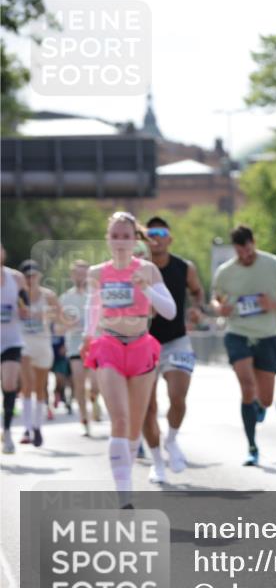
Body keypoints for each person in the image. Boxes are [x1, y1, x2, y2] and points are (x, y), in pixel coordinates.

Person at [82, 212, 176, 508]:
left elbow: (170, 311)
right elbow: (92, 306)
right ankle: (124, 496)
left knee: (135, 424)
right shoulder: (97, 273)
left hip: (140, 347)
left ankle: (129, 481)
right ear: (108, 239)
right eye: (115, 236)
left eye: (126, 236)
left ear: (136, 239)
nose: (121, 242)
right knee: (119, 418)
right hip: (109, 343)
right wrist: (87, 336)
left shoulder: (148, 270)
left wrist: (145, 288)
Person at [212, 225, 276, 467]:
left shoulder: (273, 265)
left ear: (254, 243)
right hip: (238, 333)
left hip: (268, 335)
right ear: (235, 250)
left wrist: (275, 303)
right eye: (240, 252)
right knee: (247, 387)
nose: (246, 256)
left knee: (266, 399)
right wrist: (220, 308)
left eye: (248, 250)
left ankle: (259, 405)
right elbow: (216, 299)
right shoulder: (226, 272)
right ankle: (252, 446)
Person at [141, 216, 206, 483]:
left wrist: (197, 309)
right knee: (148, 407)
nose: (156, 237)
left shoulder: (184, 267)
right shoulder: (137, 269)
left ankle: (172, 439)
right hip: (143, 343)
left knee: (178, 397)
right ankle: (157, 462)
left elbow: (197, 292)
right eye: (150, 233)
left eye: (161, 232)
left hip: (177, 340)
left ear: (170, 238)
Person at [18, 260, 61, 447]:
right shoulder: (16, 295)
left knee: (40, 388)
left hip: (43, 344)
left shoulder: (48, 295)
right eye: (27, 276)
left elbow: (60, 316)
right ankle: (26, 428)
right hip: (24, 344)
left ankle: (37, 426)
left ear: (39, 276)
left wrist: (44, 315)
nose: (30, 279)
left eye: (33, 275)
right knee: (27, 385)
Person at [59, 260, 100, 436]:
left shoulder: (97, 295)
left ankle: (95, 399)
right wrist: (71, 325)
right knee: (79, 384)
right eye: (77, 273)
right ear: (72, 275)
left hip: (96, 345)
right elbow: (59, 326)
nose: (81, 276)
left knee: (96, 385)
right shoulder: (65, 298)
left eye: (84, 273)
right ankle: (84, 419)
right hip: (75, 346)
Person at [1, 245, 28, 454]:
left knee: (10, 383)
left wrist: (23, 308)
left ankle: (7, 430)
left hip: (11, 341)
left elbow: (25, 307)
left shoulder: (16, 278)